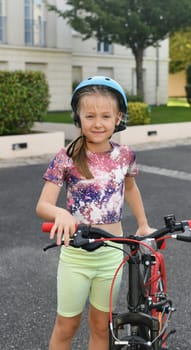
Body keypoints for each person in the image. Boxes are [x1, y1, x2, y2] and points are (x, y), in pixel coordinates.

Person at [36, 76, 154, 350]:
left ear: (118, 118)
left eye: (105, 115)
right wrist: (60, 214)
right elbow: (43, 205)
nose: (98, 123)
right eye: (89, 115)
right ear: (78, 117)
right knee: (66, 326)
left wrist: (143, 224)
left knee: (102, 327)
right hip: (76, 256)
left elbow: (131, 189)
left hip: (113, 253)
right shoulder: (66, 156)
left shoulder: (125, 155)